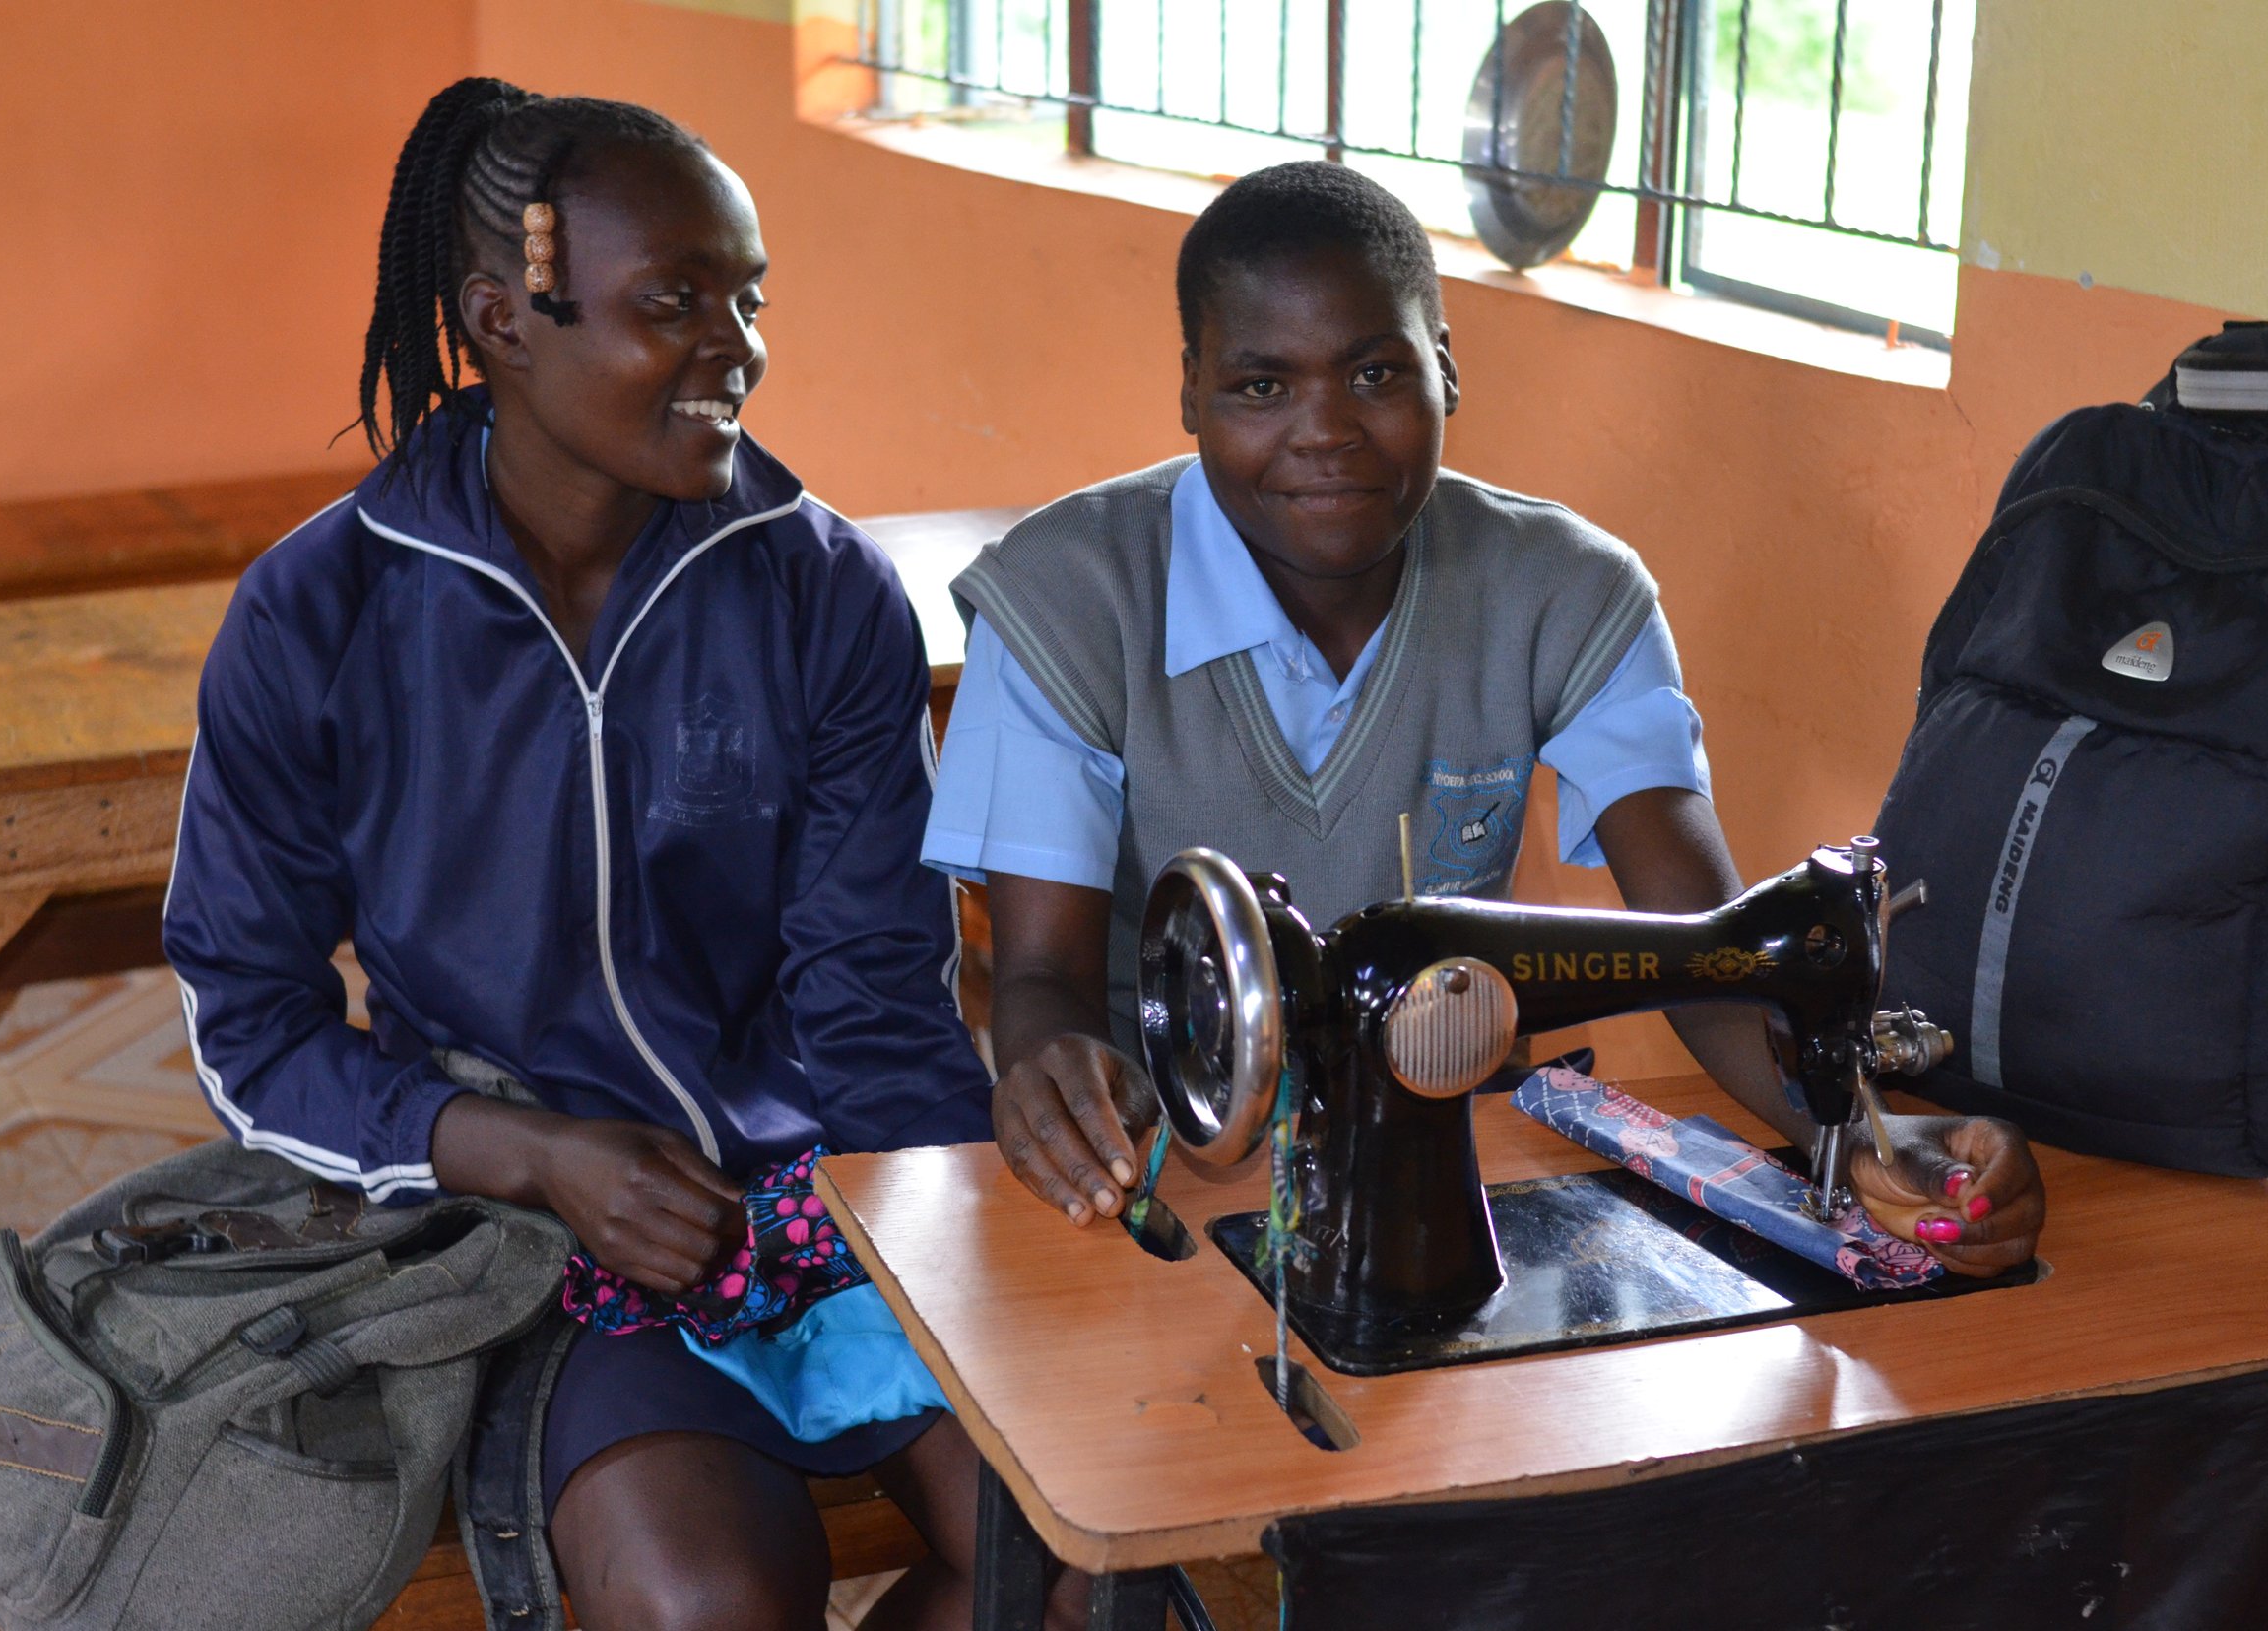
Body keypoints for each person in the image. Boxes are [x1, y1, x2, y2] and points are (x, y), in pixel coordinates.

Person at [163, 77, 1053, 1631]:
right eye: (674, 303)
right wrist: (526, 1151)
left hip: (822, 1205)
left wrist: (963, 1270)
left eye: (749, 300)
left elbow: (881, 1005)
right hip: (525, 1243)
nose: (737, 348)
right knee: (707, 1599)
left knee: (1074, 1557)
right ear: (503, 319)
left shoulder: (820, 592)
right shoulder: (323, 613)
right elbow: (252, 1026)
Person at [924, 161, 2045, 1275]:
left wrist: (1866, 1138)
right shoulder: (1069, 600)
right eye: (1262, 387)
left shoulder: (1566, 592)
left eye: (1374, 374)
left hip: (1448, 1152)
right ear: (1190, 392)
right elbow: (1041, 983)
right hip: (1164, 1176)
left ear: (1445, 367)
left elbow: (1710, 958)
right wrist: (1056, 1077)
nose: (1326, 432)